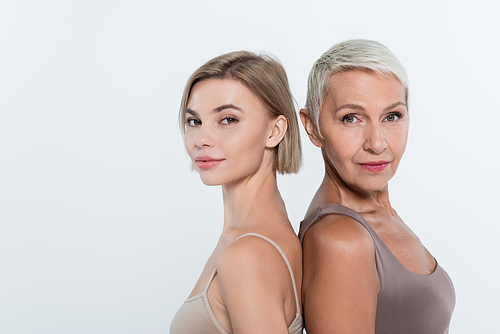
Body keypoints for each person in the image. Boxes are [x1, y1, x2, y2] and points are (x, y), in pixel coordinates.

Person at [298, 39, 455, 333]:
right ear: (312, 126)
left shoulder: (380, 215)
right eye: (351, 118)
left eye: (392, 116)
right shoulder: (340, 239)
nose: (377, 143)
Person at [170, 51, 303, 334]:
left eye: (228, 119)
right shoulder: (246, 237)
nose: (202, 139)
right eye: (194, 121)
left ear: (274, 131)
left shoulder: (247, 254)